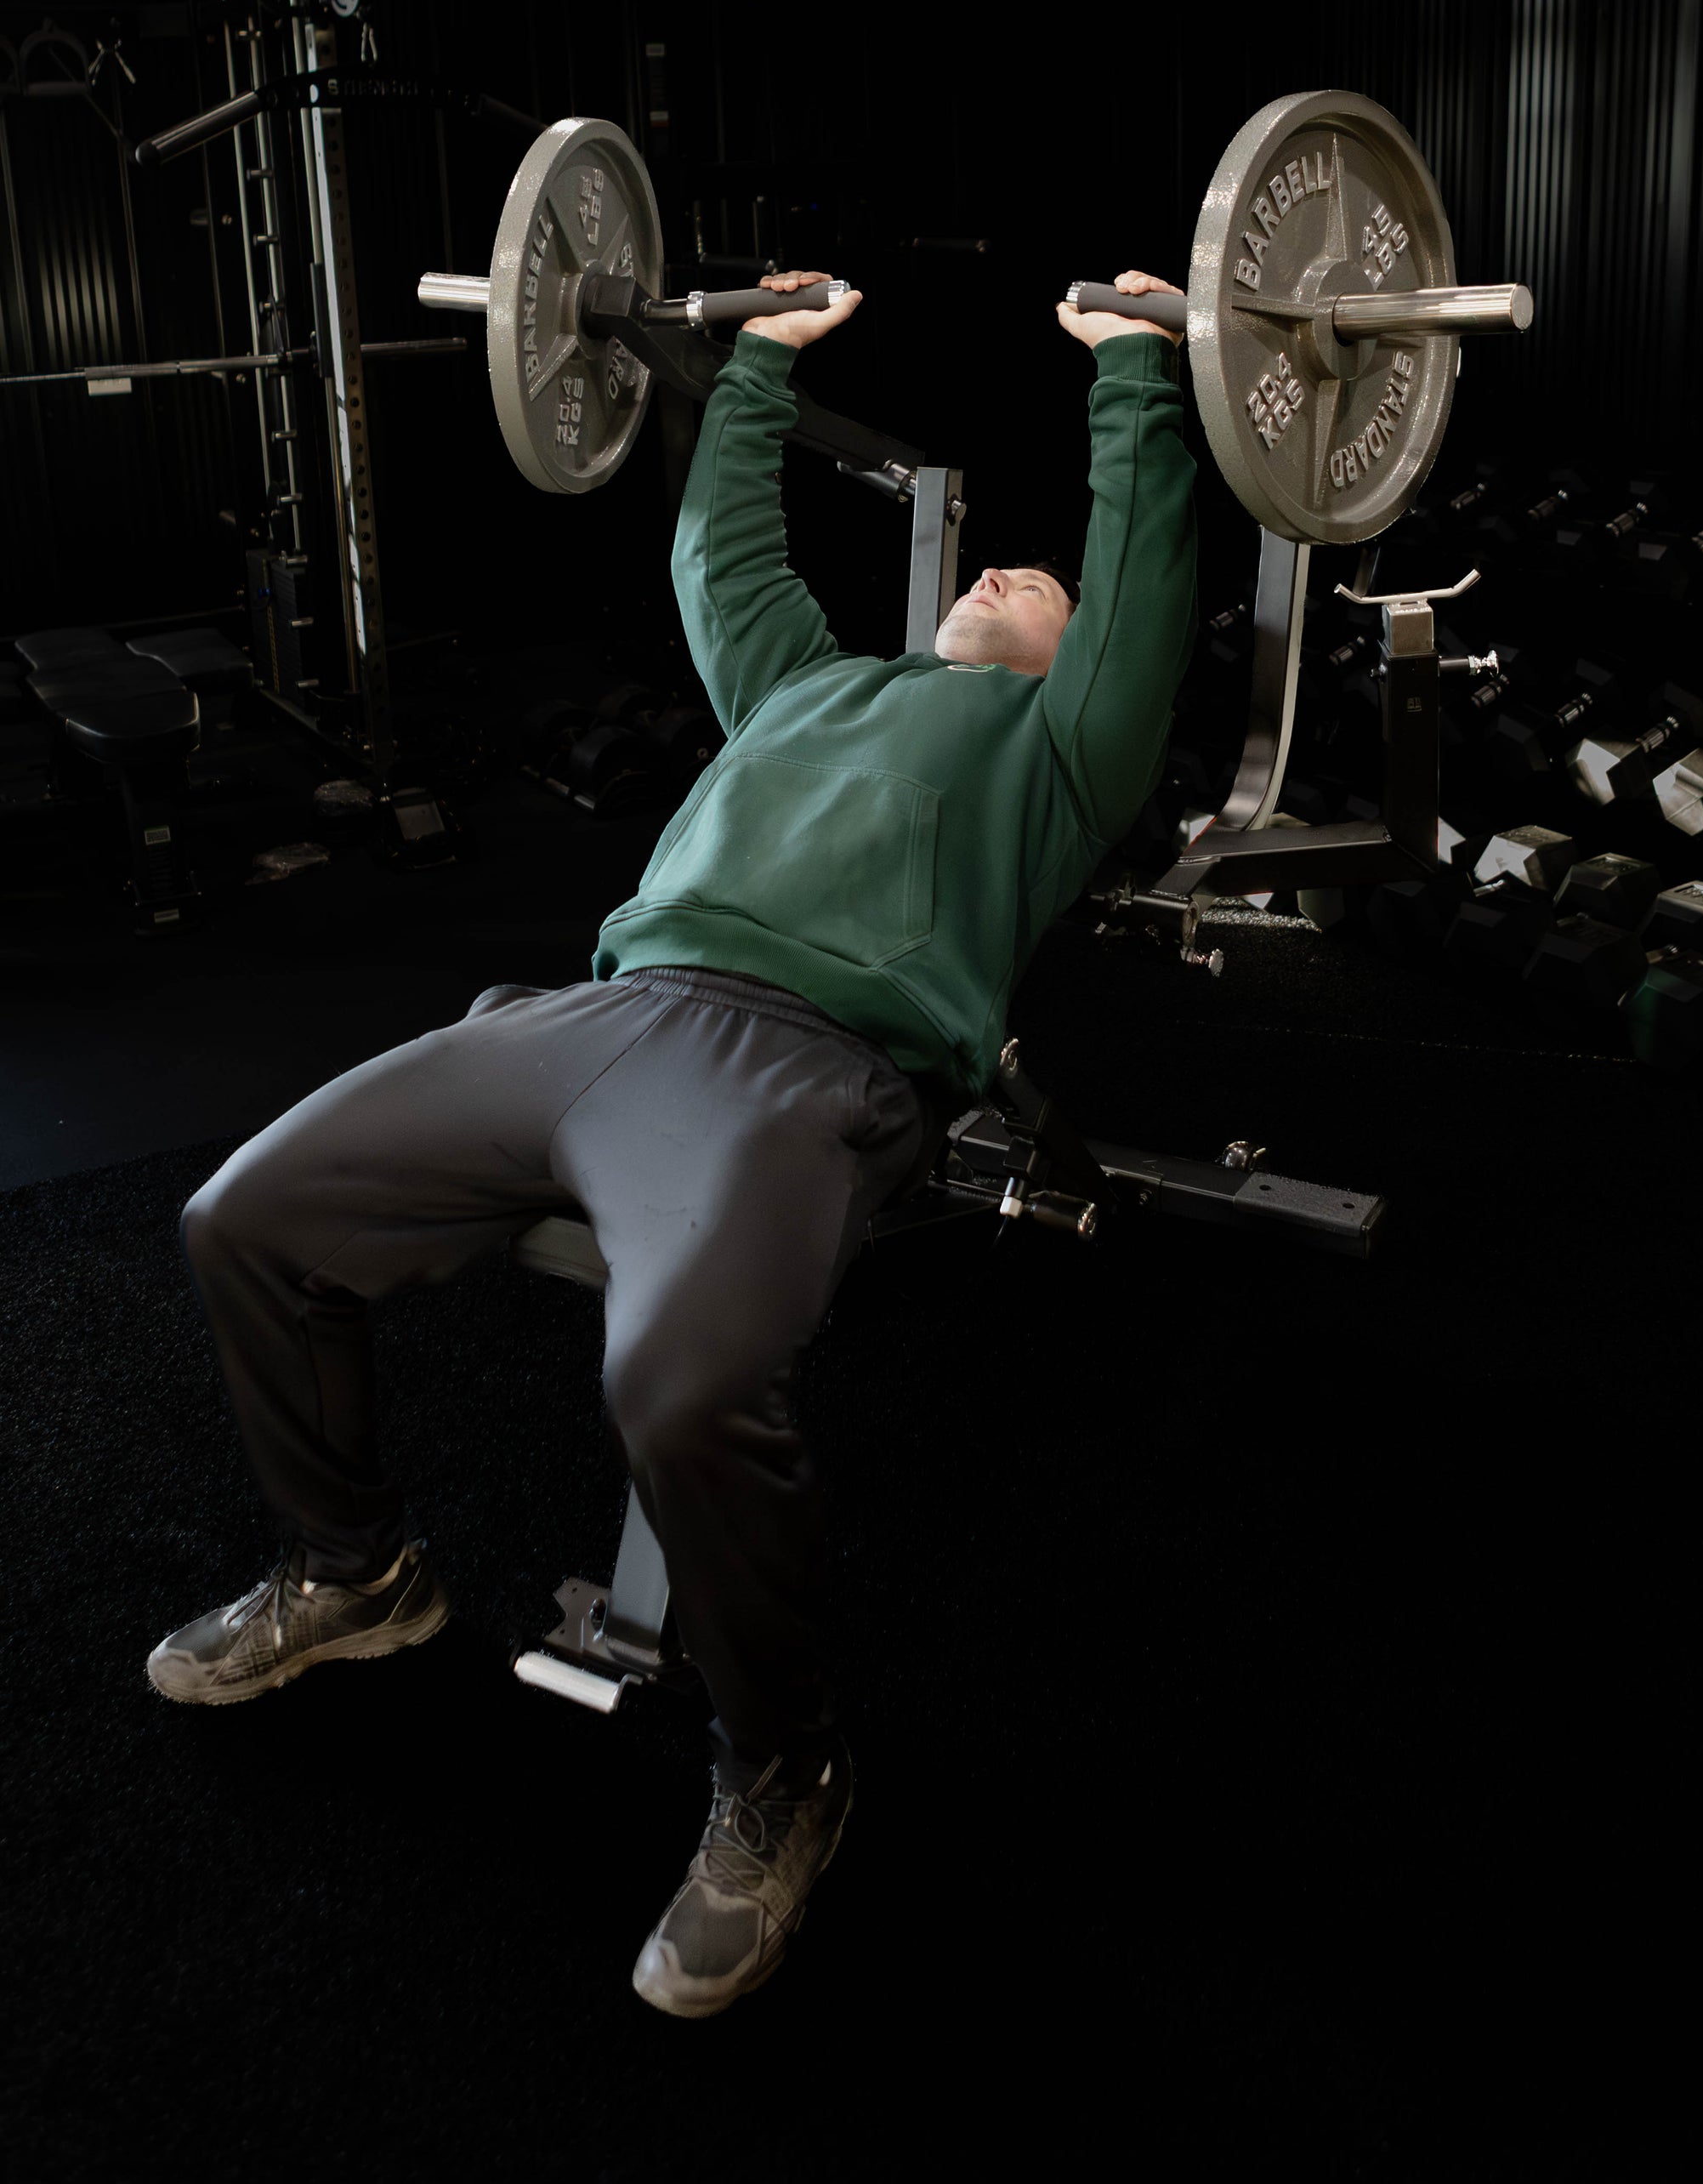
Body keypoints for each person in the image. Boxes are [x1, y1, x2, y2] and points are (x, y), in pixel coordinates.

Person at [145, 269, 1199, 2017]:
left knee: (681, 1385)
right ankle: (354, 1572)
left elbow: (1146, 577)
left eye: (1044, 586)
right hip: (599, 1014)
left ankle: (785, 1765)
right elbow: (722, 560)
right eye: (998, 569)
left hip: (806, 1066)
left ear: (1079, 655)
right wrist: (757, 367)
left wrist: (1139, 377)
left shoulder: (1062, 748)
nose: (1005, 575)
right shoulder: (801, 687)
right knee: (242, 1218)